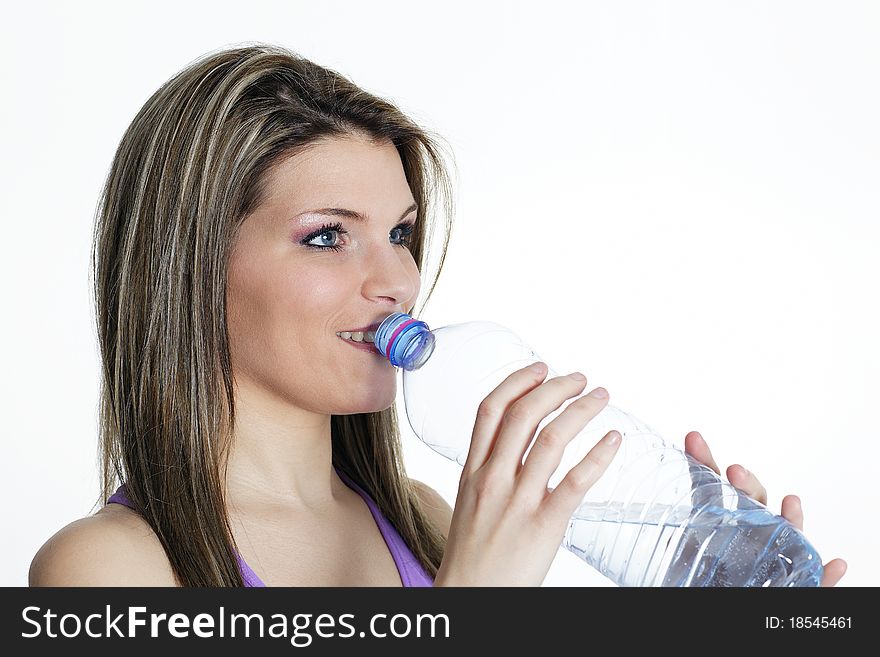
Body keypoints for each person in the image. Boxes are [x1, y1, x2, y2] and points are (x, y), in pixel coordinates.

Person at [28, 43, 846, 587]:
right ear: (194, 264)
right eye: (327, 236)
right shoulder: (106, 570)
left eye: (401, 234)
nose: (396, 279)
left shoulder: (421, 519)